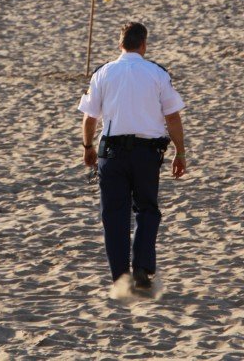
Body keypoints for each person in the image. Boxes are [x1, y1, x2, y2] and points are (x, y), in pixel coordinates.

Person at [78, 22, 187, 293]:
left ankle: (120, 278)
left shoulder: (103, 73)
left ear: (120, 44)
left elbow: (90, 117)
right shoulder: (156, 73)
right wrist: (180, 152)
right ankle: (141, 267)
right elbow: (172, 116)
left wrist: (87, 147)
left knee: (114, 215)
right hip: (146, 154)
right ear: (144, 44)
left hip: (112, 153)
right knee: (147, 210)